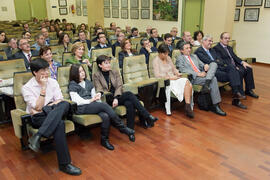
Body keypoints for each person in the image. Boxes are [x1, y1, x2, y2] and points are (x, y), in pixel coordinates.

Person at [22, 58, 81, 175]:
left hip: (49, 112)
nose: (47, 73)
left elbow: (59, 100)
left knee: (64, 104)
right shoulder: (27, 88)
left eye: (47, 69)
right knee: (59, 124)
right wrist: (43, 89)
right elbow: (37, 107)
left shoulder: (53, 82)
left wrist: (45, 108)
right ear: (35, 72)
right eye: (43, 70)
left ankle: (38, 136)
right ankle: (65, 164)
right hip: (39, 118)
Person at [68, 64, 135, 149]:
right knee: (103, 105)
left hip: (92, 105)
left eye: (83, 71)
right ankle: (122, 127)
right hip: (81, 107)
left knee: (105, 115)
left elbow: (93, 95)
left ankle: (104, 140)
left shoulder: (88, 82)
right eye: (79, 72)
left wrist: (97, 97)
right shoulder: (72, 84)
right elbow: (76, 101)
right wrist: (91, 100)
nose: (82, 73)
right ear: (74, 74)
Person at [93, 55, 158, 131]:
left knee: (129, 103)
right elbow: (99, 89)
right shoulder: (96, 75)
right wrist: (114, 98)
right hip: (108, 99)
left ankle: (130, 128)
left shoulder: (114, 72)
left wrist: (116, 98)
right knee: (129, 94)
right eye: (106, 63)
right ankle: (147, 116)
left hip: (118, 96)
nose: (109, 65)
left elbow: (119, 86)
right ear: (100, 65)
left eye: (109, 63)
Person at [195, 35, 247, 109]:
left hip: (221, 68)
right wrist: (217, 62)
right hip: (213, 71)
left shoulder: (212, 50)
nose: (211, 43)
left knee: (232, 68)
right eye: (209, 41)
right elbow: (209, 61)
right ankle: (236, 97)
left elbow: (221, 61)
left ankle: (236, 94)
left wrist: (217, 62)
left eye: (212, 41)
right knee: (235, 74)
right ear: (203, 41)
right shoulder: (199, 51)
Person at [176, 42, 226, 116]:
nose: (189, 50)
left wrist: (205, 66)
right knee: (214, 78)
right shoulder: (180, 58)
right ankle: (216, 105)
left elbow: (202, 65)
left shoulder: (194, 56)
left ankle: (207, 83)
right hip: (194, 77)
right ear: (181, 51)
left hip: (204, 74)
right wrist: (198, 74)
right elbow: (182, 70)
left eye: (190, 48)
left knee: (213, 64)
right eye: (187, 48)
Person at [213, 32, 259, 100]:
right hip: (228, 67)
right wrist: (233, 67)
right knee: (240, 71)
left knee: (248, 68)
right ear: (221, 39)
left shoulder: (229, 48)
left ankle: (249, 90)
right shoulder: (216, 48)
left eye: (228, 38)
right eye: (225, 38)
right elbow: (221, 61)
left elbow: (235, 57)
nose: (227, 40)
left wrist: (242, 62)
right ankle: (239, 93)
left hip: (235, 64)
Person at [153, 44, 194, 117]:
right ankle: (188, 106)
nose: (166, 55)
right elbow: (157, 75)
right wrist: (171, 77)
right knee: (188, 85)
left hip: (174, 78)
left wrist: (177, 73)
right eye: (164, 54)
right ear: (160, 53)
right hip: (167, 81)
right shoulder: (156, 61)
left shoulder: (168, 58)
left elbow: (173, 68)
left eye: (167, 53)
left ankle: (187, 105)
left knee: (187, 82)